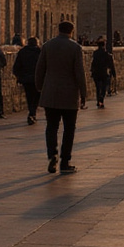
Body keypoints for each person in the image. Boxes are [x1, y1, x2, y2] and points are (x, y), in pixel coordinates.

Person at [34, 20, 87, 174]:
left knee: (51, 127)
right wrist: (83, 94)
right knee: (69, 129)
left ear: (59, 30)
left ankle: (52, 154)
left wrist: (39, 87)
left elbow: (40, 69)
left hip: (50, 93)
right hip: (69, 95)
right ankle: (65, 161)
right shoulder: (75, 48)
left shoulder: (47, 46)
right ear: (72, 31)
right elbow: (79, 73)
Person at [12, 36, 42, 124]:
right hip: (37, 79)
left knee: (29, 96)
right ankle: (33, 113)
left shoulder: (23, 52)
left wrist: (19, 76)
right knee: (36, 96)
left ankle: (31, 113)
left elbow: (16, 66)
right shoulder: (40, 52)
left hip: (26, 79)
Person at [90, 38, 116, 109]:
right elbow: (111, 65)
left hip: (96, 73)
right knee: (104, 87)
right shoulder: (107, 54)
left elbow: (93, 63)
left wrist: (92, 71)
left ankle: (98, 100)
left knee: (98, 88)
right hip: (104, 73)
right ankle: (101, 99)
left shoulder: (95, 54)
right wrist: (114, 74)